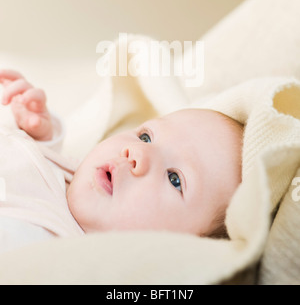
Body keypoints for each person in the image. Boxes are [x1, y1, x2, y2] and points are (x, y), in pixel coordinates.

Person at [0, 69, 244, 239]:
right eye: (145, 137)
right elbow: (43, 174)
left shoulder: (60, 257)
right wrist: (40, 134)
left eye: (174, 179)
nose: (137, 152)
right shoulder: (71, 177)